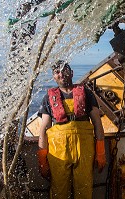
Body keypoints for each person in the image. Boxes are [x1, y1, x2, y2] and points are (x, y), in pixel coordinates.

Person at [37, 60, 106, 199]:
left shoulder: (87, 94)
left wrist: (100, 151)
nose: (61, 74)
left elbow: (98, 124)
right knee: (59, 189)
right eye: (57, 72)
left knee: (84, 187)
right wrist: (42, 159)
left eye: (64, 70)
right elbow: (44, 129)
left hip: (84, 149)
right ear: (54, 77)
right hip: (58, 152)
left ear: (72, 73)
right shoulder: (48, 98)